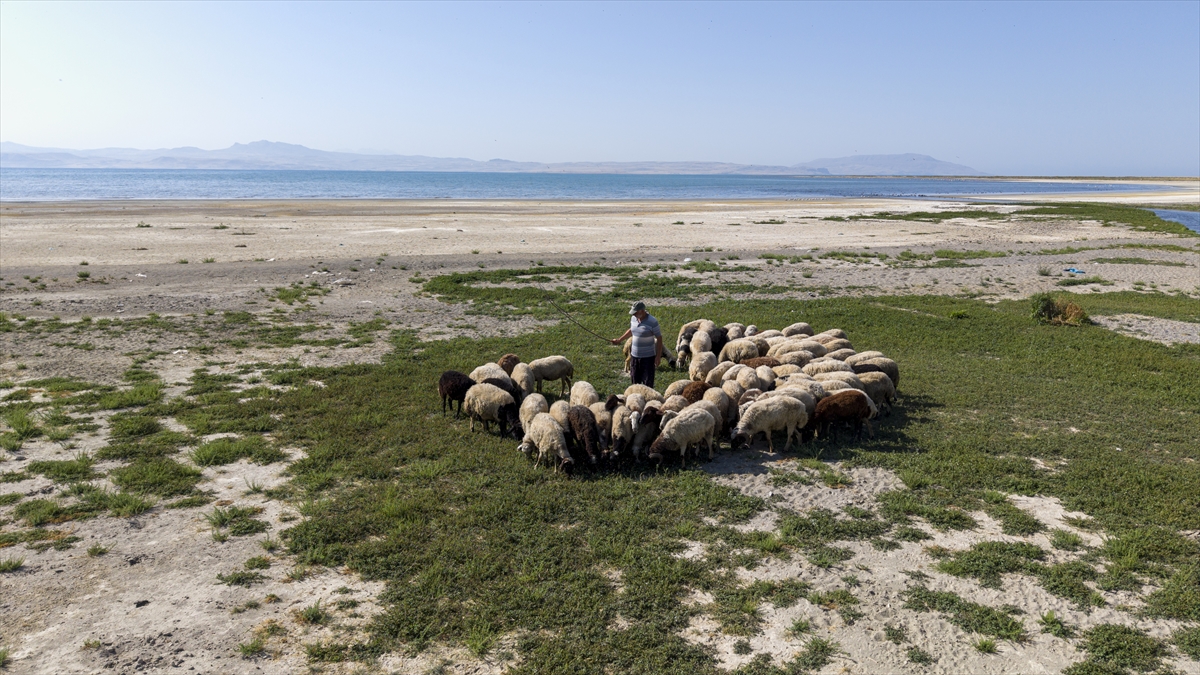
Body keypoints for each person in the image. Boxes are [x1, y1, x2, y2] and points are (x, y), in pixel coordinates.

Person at [611, 301, 663, 388]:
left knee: (648, 384)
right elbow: (631, 330)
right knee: (635, 382)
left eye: (635, 312)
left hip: (648, 357)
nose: (634, 314)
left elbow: (659, 338)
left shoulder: (652, 321)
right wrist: (619, 340)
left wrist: (658, 357)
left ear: (642, 311)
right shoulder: (633, 318)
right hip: (634, 356)